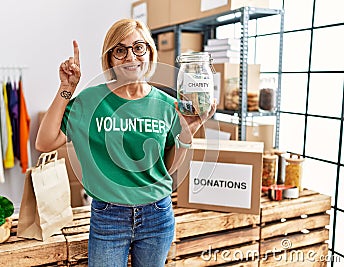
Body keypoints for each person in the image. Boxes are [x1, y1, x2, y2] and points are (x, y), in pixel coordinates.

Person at [36, 18, 216, 267]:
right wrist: (66, 88)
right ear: (109, 59)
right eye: (120, 50)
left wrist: (188, 132)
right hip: (109, 218)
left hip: (158, 215)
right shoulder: (90, 101)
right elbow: (44, 142)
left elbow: (167, 167)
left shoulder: (167, 104)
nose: (131, 57)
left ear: (149, 52)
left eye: (138, 47)